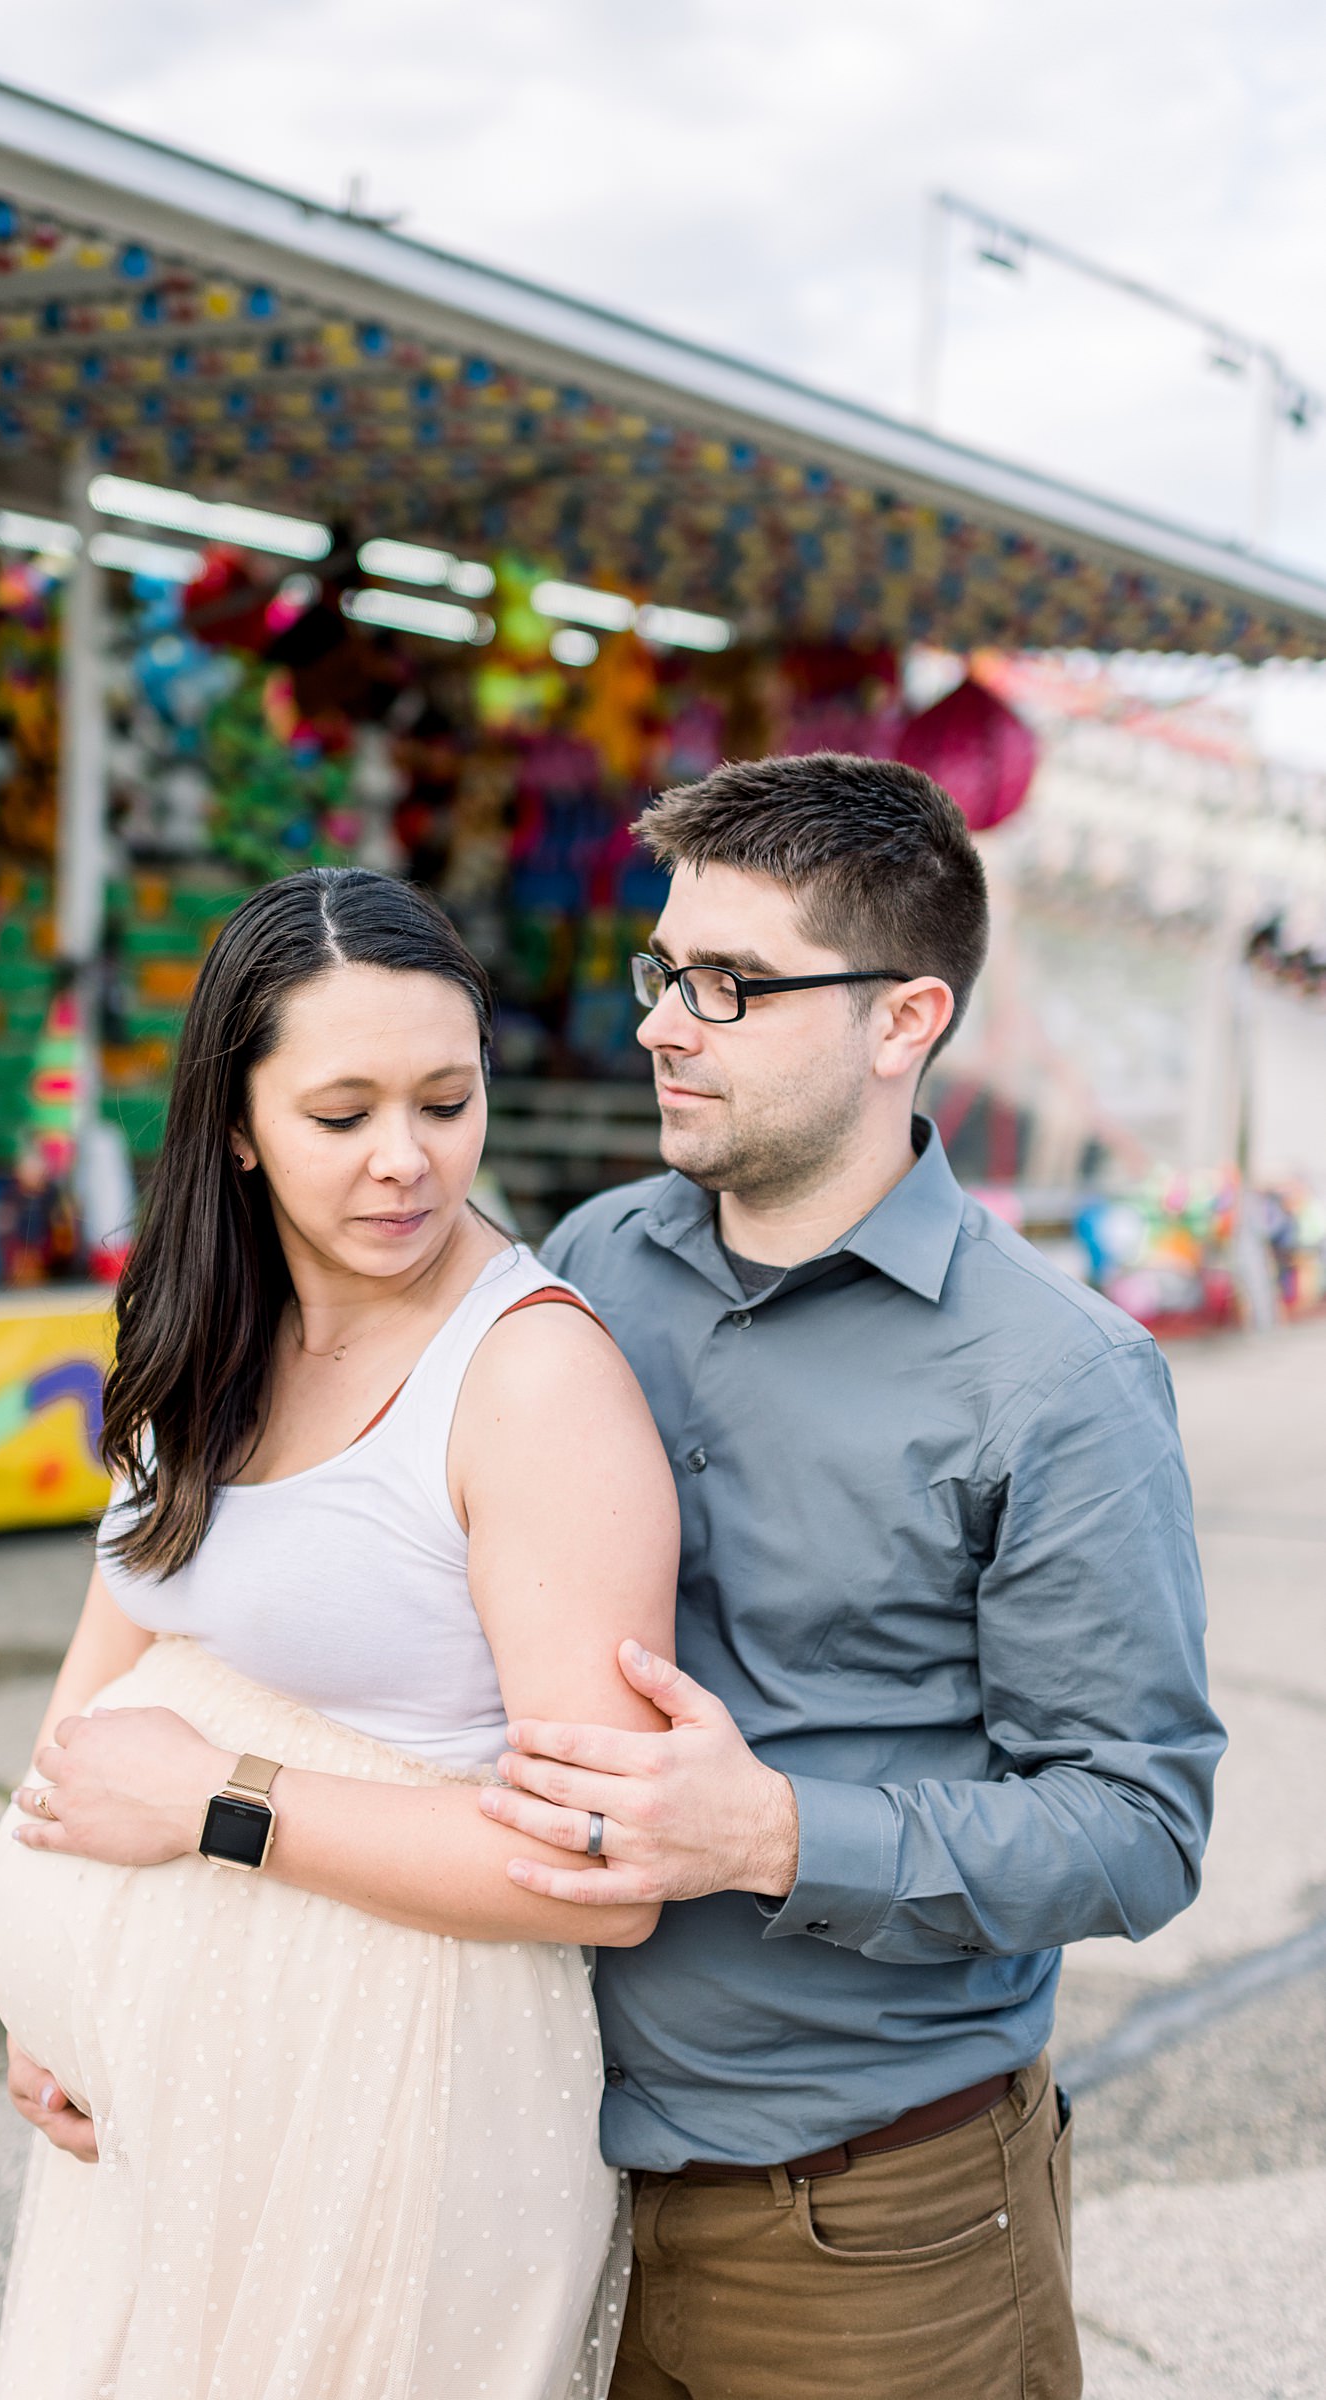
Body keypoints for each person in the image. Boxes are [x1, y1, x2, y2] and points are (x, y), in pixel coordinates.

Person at [476, 750, 1224, 2400]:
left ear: (905, 1022)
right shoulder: (593, 1262)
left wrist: (771, 1833)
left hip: (872, 2235)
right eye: (663, 970)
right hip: (538, 2163)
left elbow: (1138, 1827)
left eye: (731, 986)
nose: (663, 1021)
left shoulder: (1059, 1380)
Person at [0, 866, 678, 2400]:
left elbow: (595, 1874)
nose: (404, 1164)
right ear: (235, 1125)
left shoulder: (531, 1382)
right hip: (150, 2109)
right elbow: (94, 1698)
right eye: (341, 1113)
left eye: (445, 1100)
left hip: (391, 2107)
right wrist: (51, 2002)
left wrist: (220, 1802)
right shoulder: (198, 1328)